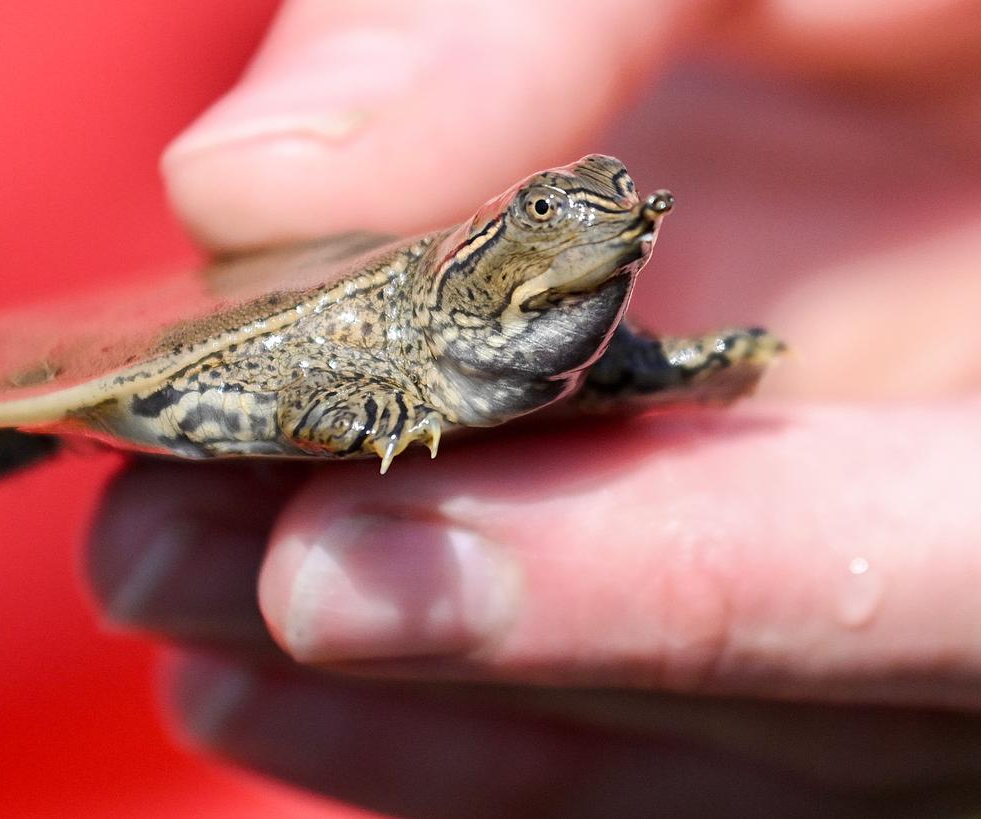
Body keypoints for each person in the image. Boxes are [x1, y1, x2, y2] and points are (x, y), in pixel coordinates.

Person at [86, 2, 981, 815]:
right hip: (210, 350)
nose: (595, 218)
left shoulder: (600, 352)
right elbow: (306, 401)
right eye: (549, 210)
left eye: (606, 200)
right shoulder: (388, 342)